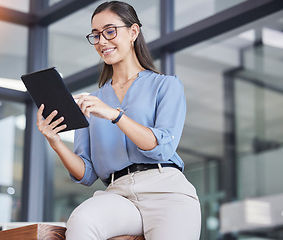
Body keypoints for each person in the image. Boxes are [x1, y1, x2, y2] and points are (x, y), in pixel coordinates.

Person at [36, 1, 201, 239]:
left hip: (165, 190)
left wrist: (115, 115)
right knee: (82, 221)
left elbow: (161, 147)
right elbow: (87, 173)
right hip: (118, 195)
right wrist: (56, 142)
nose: (102, 41)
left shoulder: (166, 86)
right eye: (95, 35)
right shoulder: (93, 101)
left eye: (110, 31)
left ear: (133, 32)